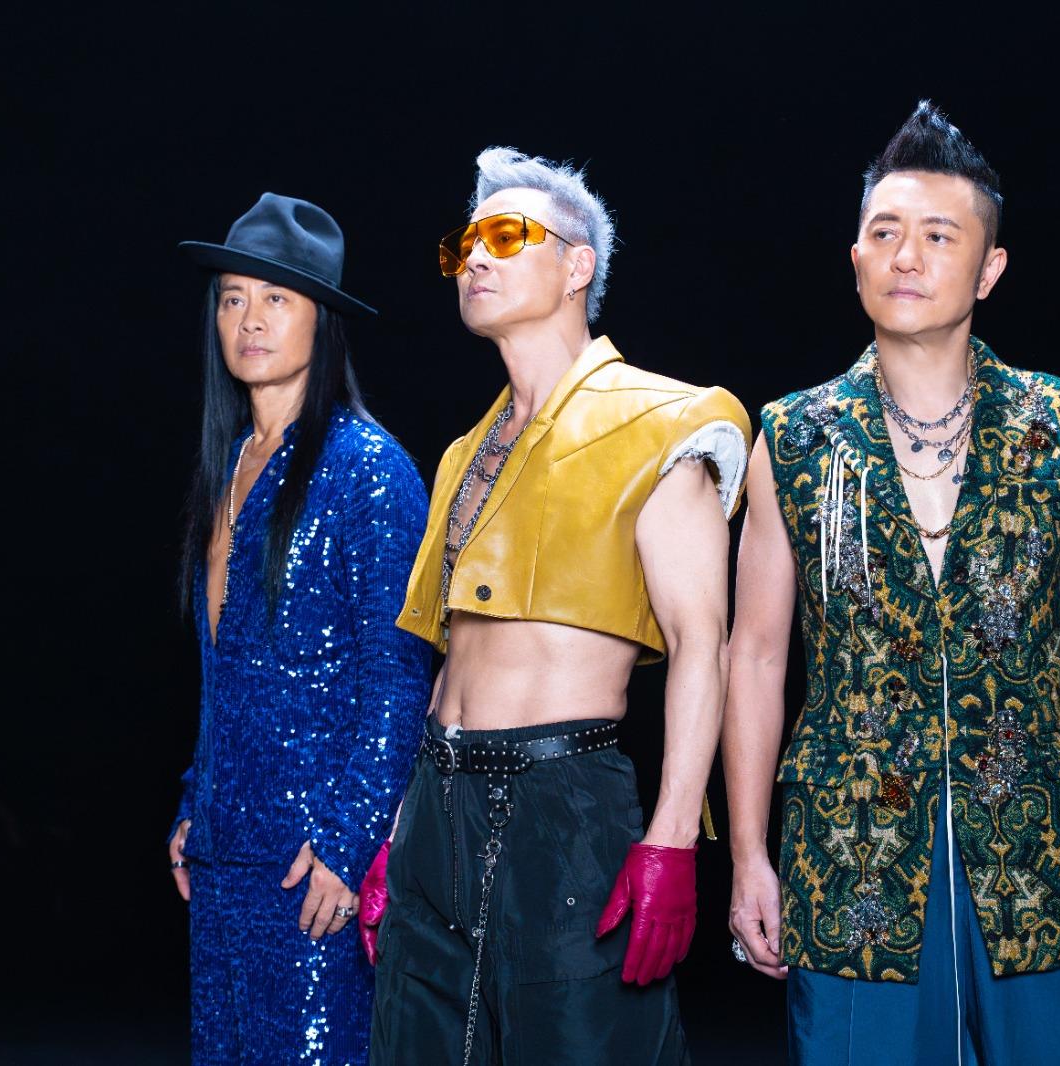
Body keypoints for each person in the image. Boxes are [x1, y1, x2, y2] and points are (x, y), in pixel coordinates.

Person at [722, 102, 1060, 1064]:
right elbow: (757, 655)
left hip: (1045, 847)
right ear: (854, 256)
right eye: (884, 233)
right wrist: (746, 856)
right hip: (855, 853)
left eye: (939, 236)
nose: (906, 257)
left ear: (989, 268)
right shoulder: (795, 437)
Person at [359, 148, 750, 1065]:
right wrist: (403, 831)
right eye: (463, 244)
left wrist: (671, 842)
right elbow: (453, 660)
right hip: (437, 801)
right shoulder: (464, 455)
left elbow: (705, 645)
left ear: (578, 266)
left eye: (505, 236)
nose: (474, 257)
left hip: (562, 805)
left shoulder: (664, 420)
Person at [166, 193, 431, 1064]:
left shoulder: (368, 468)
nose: (249, 320)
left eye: (277, 298)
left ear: (324, 320)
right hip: (221, 861)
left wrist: (348, 845)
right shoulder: (227, 465)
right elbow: (227, 674)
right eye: (232, 298)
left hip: (308, 864)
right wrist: (194, 804)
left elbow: (398, 678)